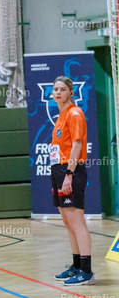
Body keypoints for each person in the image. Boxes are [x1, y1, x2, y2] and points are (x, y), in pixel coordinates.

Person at [50, 76, 94, 285]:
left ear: (70, 92)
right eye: (55, 89)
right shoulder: (61, 115)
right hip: (58, 169)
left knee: (77, 222)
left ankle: (86, 271)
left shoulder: (74, 113)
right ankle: (76, 265)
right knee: (68, 222)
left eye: (62, 89)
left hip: (70, 170)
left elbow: (77, 144)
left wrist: (69, 173)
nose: (58, 92)